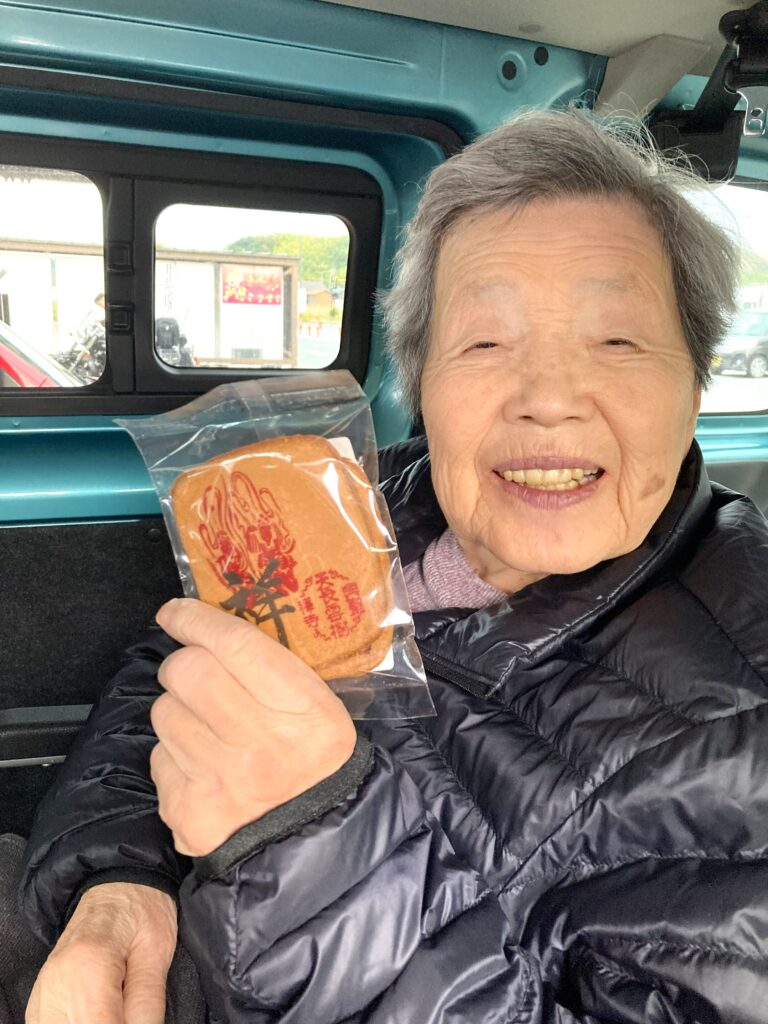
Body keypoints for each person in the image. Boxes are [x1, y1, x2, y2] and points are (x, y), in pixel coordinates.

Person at [5, 108, 768, 1023]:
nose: (549, 401)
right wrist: (116, 883)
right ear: (421, 383)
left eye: (617, 341)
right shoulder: (363, 498)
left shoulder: (745, 702)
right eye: (485, 343)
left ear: (695, 380)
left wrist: (307, 841)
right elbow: (180, 672)